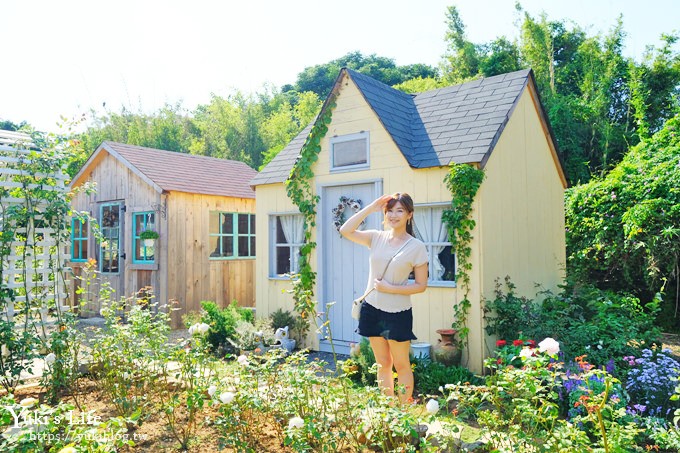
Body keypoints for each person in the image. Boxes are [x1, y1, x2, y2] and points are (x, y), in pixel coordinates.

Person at [339, 192, 428, 403]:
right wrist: (371, 207)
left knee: (401, 364)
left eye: (400, 211)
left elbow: (421, 285)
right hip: (372, 308)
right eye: (390, 211)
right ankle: (387, 410)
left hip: (398, 313)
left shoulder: (416, 247)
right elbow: (345, 230)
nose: (394, 215)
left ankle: (403, 412)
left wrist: (390, 289)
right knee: (383, 363)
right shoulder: (376, 237)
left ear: (409, 215)